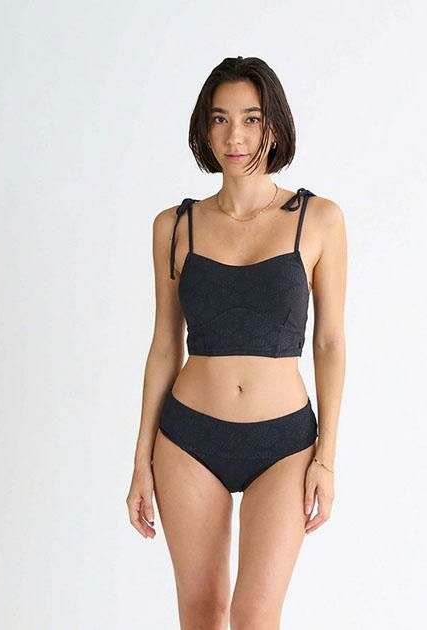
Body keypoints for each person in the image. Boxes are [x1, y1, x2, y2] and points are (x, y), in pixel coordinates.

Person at [127, 56, 347, 629]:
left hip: (285, 444)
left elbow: (329, 342)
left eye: (251, 119)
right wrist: (141, 461)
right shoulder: (174, 226)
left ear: (274, 124)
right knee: (202, 613)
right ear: (205, 128)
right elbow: (163, 346)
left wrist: (326, 457)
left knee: (254, 615)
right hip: (188, 439)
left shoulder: (319, 220)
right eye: (220, 119)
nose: (235, 136)